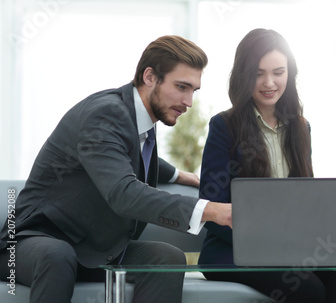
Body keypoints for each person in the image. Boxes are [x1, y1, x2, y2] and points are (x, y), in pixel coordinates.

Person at [0, 35, 232, 303]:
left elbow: (127, 154)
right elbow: (124, 193)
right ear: (149, 77)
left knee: (167, 258)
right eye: (181, 87)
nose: (188, 101)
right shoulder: (105, 114)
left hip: (87, 249)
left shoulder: (139, 119)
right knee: (57, 255)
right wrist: (211, 209)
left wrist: (179, 175)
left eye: (193, 90)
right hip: (30, 242)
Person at [197, 28, 336, 303]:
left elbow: (305, 199)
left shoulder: (301, 127)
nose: (269, 82)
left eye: (278, 71)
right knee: (308, 288)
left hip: (289, 249)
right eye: (258, 73)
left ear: (290, 73)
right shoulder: (224, 126)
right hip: (232, 250)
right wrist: (267, 242)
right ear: (243, 75)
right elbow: (211, 206)